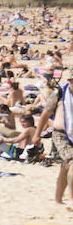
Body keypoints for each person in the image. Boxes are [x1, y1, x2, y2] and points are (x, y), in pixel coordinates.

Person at [35, 74, 73, 210]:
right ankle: (71, 199)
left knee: (65, 167)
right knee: (72, 162)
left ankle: (58, 199)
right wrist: (37, 134)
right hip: (61, 135)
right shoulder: (60, 93)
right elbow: (45, 114)